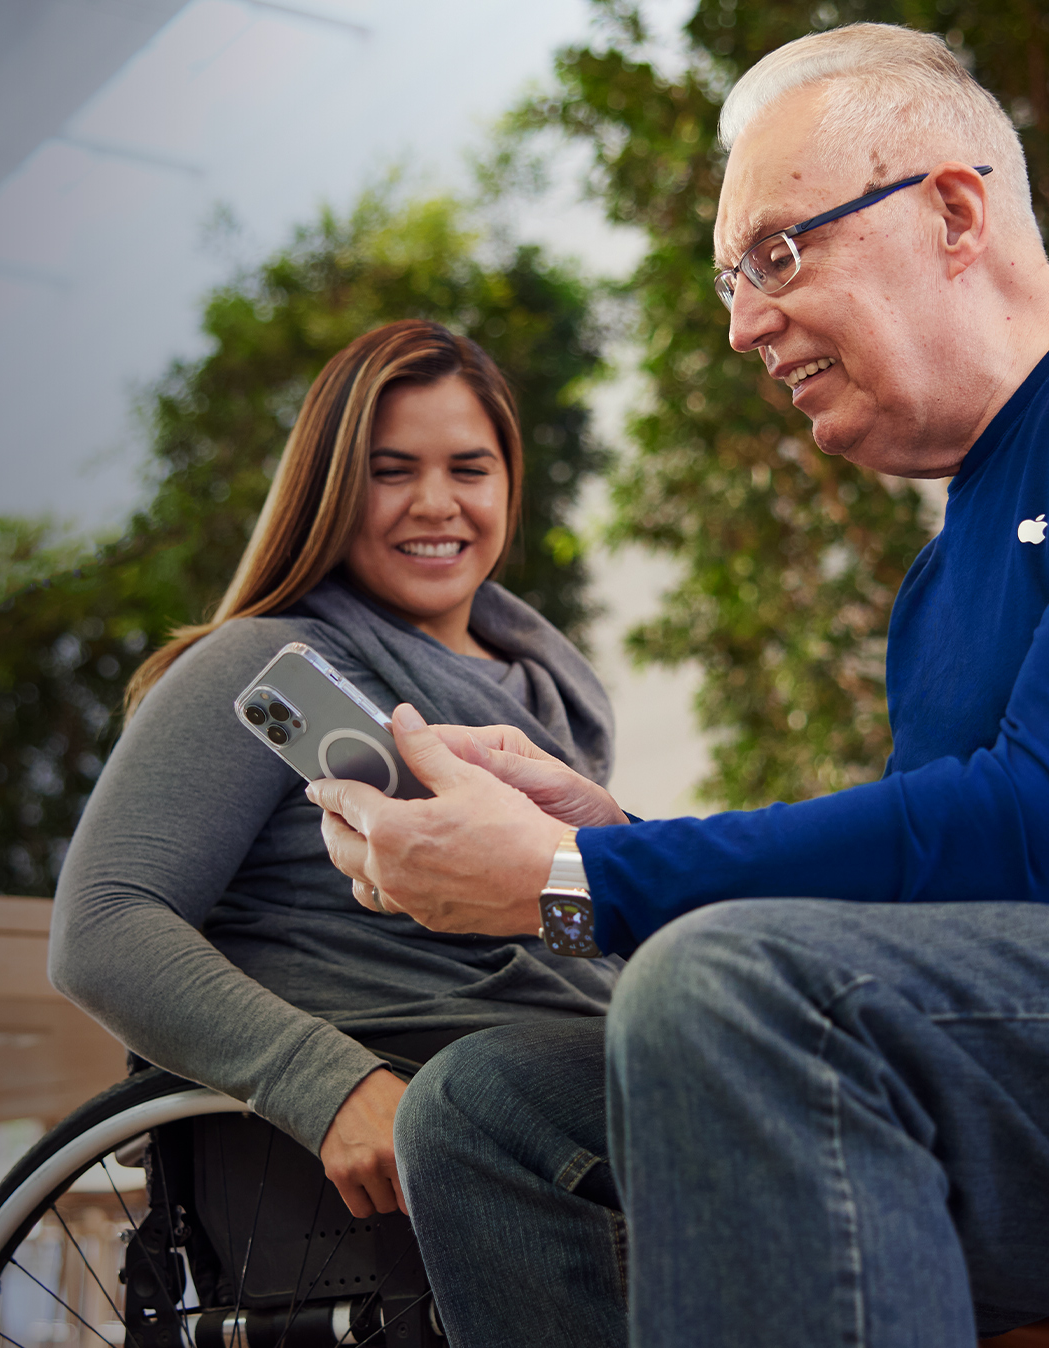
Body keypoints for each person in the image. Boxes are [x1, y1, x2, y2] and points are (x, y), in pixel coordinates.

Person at [306, 24, 1049, 1348]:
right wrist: (600, 841)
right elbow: (930, 908)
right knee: (485, 1108)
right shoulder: (940, 580)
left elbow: (1048, 830)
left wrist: (576, 881)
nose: (739, 326)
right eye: (727, 282)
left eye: (776, 255)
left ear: (955, 211)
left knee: (730, 982)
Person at [49, 319, 622, 1221]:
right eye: (391, 471)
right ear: (329, 489)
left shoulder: (559, 700)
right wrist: (327, 1085)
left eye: (469, 469)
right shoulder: (255, 667)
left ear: (510, 484)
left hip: (594, 1057)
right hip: (454, 1096)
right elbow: (103, 928)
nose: (436, 503)